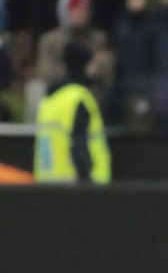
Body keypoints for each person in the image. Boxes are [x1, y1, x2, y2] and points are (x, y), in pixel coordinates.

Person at [34, 43, 111, 184]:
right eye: (92, 65)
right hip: (76, 187)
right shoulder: (78, 98)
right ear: (84, 67)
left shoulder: (49, 100)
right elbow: (79, 146)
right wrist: (87, 180)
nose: (95, 70)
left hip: (47, 183)